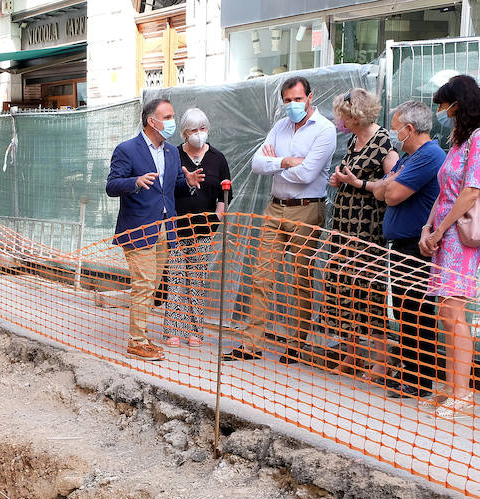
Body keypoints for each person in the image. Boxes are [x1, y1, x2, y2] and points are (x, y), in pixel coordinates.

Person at [225, 75, 337, 364]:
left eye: (297, 99)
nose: (292, 105)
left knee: (301, 279)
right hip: (275, 208)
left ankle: (297, 346)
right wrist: (285, 162)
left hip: (307, 209)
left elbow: (308, 174)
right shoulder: (280, 126)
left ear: (310, 97)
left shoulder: (324, 130)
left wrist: (274, 164)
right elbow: (256, 164)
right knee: (261, 276)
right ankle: (251, 344)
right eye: (287, 101)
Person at [418, 74, 480, 417]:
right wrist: (428, 226)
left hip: (460, 237)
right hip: (443, 234)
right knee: (446, 314)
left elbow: (471, 192)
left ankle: (463, 392)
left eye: (444, 104)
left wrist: (441, 230)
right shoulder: (458, 140)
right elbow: (444, 191)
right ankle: (452, 387)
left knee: (454, 312)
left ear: (459, 104)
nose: (441, 110)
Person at [106, 98, 201, 361]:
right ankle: (136, 341)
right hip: (137, 227)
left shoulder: (171, 152)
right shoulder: (127, 150)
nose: (172, 121)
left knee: (154, 284)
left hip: (164, 228)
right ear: (152, 121)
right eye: (168, 117)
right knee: (144, 283)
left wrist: (189, 182)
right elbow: (112, 186)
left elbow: (175, 184)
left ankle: (143, 336)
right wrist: (135, 181)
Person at [369, 100, 444, 399]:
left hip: (416, 246)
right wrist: (388, 184)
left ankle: (419, 379)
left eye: (396, 127)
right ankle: (409, 372)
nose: (394, 133)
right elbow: (378, 188)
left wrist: (389, 184)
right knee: (403, 310)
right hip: (400, 246)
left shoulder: (428, 155)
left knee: (417, 312)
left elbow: (392, 194)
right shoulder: (409, 158)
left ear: (409, 129)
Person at [327, 88, 398, 382]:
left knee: (370, 292)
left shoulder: (384, 143)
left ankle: (381, 362)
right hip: (344, 227)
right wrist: (339, 179)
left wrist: (357, 183)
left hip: (367, 230)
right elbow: (349, 175)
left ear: (354, 115)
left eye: (342, 116)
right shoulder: (353, 141)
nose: (339, 121)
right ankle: (352, 354)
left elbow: (392, 185)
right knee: (343, 286)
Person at [165, 108, 232, 347]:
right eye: (194, 130)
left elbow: (226, 194)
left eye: (202, 128)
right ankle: (173, 330)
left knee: (197, 280)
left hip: (204, 230)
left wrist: (217, 218)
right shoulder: (172, 154)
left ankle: (195, 331)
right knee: (175, 278)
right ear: (184, 133)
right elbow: (166, 188)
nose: (199, 133)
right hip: (176, 227)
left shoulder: (217, 157)